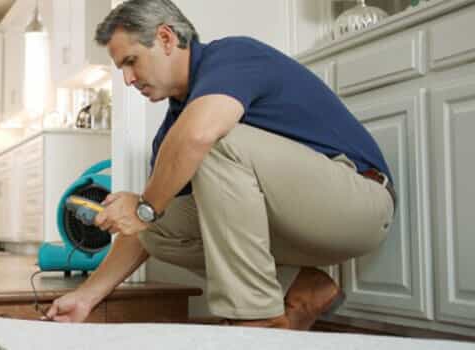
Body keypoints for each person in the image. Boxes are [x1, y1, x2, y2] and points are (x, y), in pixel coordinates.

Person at [46, 0, 395, 330]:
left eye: (131, 61)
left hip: (359, 203)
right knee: (156, 229)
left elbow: (199, 139)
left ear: (166, 38)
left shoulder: (232, 57)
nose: (128, 78)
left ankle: (257, 323)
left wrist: (143, 206)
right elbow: (143, 225)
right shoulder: (174, 132)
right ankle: (302, 286)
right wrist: (85, 296)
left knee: (208, 144)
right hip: (298, 221)